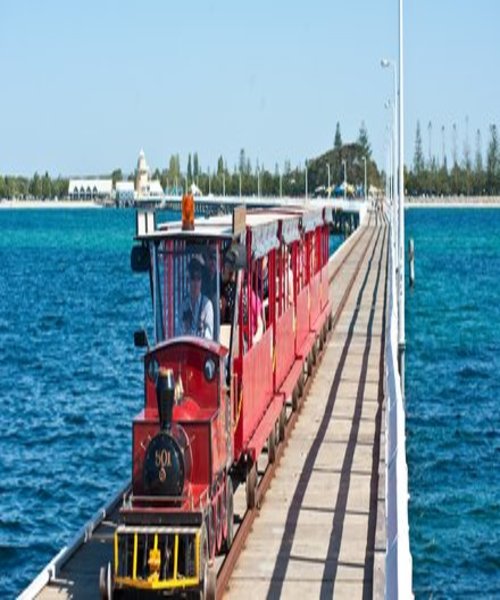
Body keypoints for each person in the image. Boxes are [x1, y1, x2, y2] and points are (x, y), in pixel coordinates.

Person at [181, 258, 214, 339]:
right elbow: (179, 332)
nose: (196, 282)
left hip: (201, 350)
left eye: (198, 278)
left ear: (201, 281)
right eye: (193, 278)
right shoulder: (183, 305)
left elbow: (209, 337)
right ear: (188, 281)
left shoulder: (207, 305)